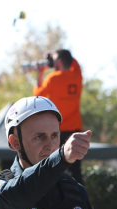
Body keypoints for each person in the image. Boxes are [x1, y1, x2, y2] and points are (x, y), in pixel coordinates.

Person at [33, 49, 84, 183]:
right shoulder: (77, 75)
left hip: (57, 131)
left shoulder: (53, 78)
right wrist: (56, 56)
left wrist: (40, 72)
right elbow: (74, 62)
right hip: (75, 129)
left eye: (55, 59)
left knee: (55, 167)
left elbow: (38, 96)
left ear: (60, 62)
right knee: (76, 170)